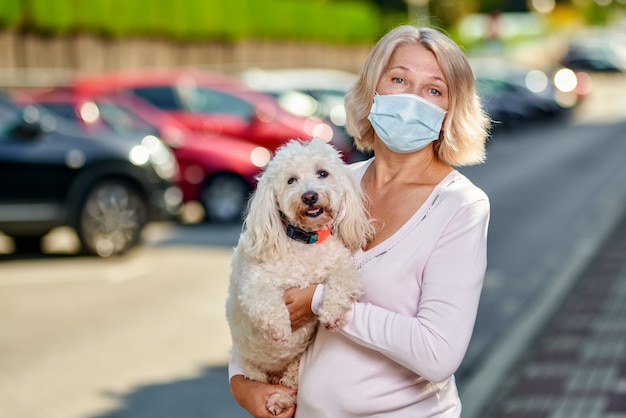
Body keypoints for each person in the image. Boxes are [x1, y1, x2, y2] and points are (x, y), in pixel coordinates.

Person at [228, 23, 491, 417]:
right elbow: (257, 292)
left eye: (433, 90)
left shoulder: (460, 206)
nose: (412, 100)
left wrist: (320, 300)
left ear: (450, 110)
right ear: (372, 89)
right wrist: (243, 382)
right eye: (399, 79)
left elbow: (437, 353)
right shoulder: (331, 184)